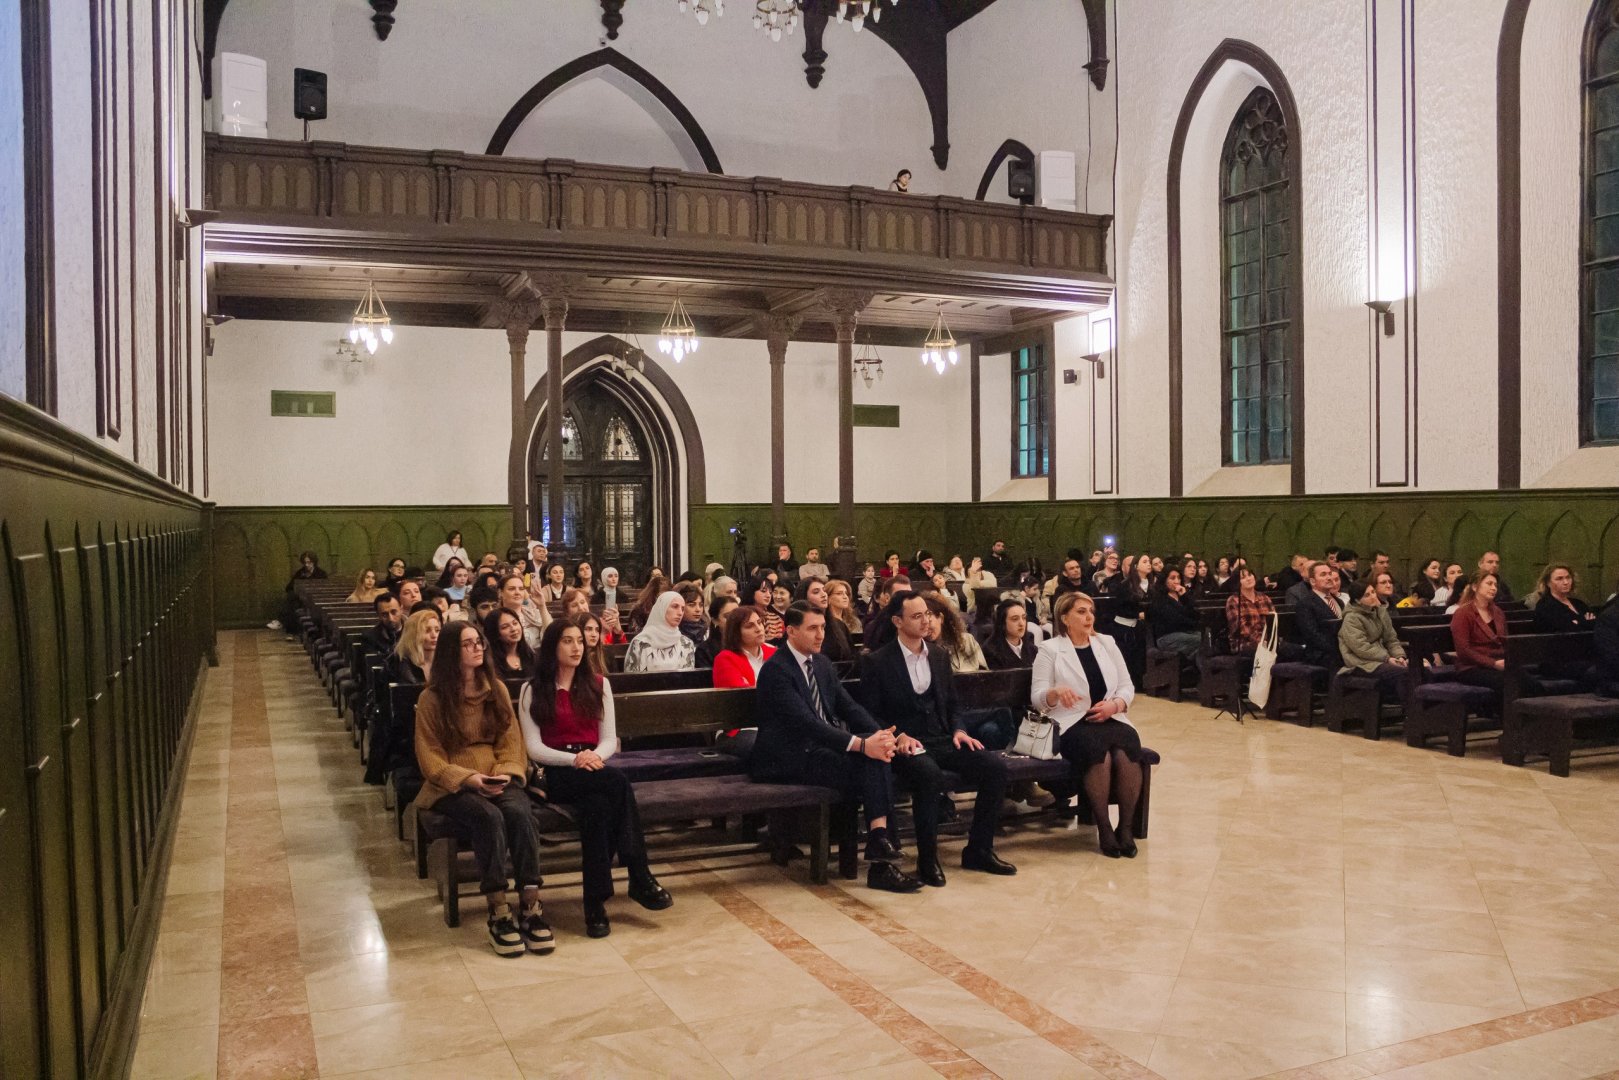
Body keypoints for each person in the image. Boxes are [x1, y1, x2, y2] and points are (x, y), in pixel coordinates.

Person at [749, 603, 920, 893]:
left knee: (877, 757)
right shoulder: (776, 670)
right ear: (790, 631)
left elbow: (849, 707)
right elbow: (806, 724)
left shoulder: (822, 664)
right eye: (812, 628)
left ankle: (879, 845)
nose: (820, 635)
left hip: (820, 752)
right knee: (872, 760)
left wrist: (885, 735)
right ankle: (881, 855)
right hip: (786, 758)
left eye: (823, 627)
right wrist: (862, 744)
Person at [518, 620, 671, 939]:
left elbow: (609, 739)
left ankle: (595, 905)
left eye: (580, 641)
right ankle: (638, 874)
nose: (577, 647)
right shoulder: (533, 689)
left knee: (598, 810)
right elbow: (534, 747)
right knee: (617, 783)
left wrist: (592, 757)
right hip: (556, 770)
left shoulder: (599, 684)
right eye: (567, 641)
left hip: (593, 766)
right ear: (551, 647)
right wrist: (575, 759)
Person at [858, 593, 1017, 883]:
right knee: (928, 775)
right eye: (916, 616)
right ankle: (927, 860)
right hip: (904, 744)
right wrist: (899, 735)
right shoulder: (878, 661)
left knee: (995, 768)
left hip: (941, 737)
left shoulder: (939, 656)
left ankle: (979, 849)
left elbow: (952, 704)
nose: (926, 621)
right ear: (897, 621)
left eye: (927, 614)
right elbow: (869, 715)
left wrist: (959, 730)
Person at [412, 621, 549, 956]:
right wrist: (467, 779)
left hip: (497, 775)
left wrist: (505, 773)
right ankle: (498, 909)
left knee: (520, 813)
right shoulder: (432, 699)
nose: (477, 648)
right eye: (467, 644)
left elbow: (511, 740)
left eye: (479, 643)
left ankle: (530, 905)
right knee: (488, 817)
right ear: (450, 653)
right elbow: (430, 756)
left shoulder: (495, 689)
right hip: (451, 785)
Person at [1032, 592, 1144, 859]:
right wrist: (1055, 692)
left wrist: (1115, 705)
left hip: (1110, 716)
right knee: (1099, 754)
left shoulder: (1106, 642)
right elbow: (1037, 698)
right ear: (1064, 618)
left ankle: (1125, 828)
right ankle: (1104, 828)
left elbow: (1127, 685)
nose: (1089, 617)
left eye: (1090, 611)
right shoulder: (1050, 650)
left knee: (1127, 750)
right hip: (1072, 723)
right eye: (1081, 612)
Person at [1337, 575, 1410, 698]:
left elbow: (1391, 639)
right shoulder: (1352, 618)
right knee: (1402, 673)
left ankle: (1417, 709)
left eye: (1372, 592)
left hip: (1382, 658)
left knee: (1418, 669)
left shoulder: (1380, 612)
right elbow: (1361, 648)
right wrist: (1387, 658)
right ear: (1357, 601)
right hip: (1361, 663)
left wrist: (1399, 656)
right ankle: (1408, 710)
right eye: (1367, 595)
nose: (1373, 596)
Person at [1451, 571, 1509, 696]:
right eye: (1489, 584)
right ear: (1475, 587)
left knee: (1531, 684)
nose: (1494, 588)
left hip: (1498, 663)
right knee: (1506, 684)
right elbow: (1463, 650)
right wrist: (1493, 663)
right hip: (1471, 667)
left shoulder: (1498, 612)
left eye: (1495, 585)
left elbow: (1505, 641)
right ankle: (1503, 715)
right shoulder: (1463, 613)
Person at [622, 591, 698, 673]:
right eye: (675, 606)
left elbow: (689, 679)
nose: (680, 613)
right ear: (662, 608)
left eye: (682, 609)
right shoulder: (640, 643)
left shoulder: (686, 644)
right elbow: (632, 680)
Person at [1290, 561, 1346, 669]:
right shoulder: (1305, 604)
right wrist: (1340, 648)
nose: (1329, 578)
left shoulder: (1339, 602)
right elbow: (1313, 635)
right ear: (1312, 581)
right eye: (1323, 575)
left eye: (1330, 573)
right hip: (1319, 654)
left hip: (1340, 649)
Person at [713, 605, 776, 688]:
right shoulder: (725, 659)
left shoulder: (773, 652)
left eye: (759, 622)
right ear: (736, 633)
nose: (758, 629)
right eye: (749, 626)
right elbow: (742, 696)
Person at [1225, 565, 1282, 655]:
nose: (1248, 579)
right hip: (1245, 643)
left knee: (1294, 649)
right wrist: (1262, 642)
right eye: (1243, 577)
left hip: (1268, 641)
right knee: (1266, 651)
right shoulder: (1233, 600)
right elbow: (1242, 629)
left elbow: (1274, 622)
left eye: (1250, 575)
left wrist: (1271, 641)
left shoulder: (1265, 597)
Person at [924, 593, 988, 673]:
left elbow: (985, 674)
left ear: (941, 618)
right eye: (922, 624)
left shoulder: (967, 640)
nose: (926, 629)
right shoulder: (924, 651)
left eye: (929, 622)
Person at [798, 576, 855, 664]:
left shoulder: (839, 625)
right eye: (816, 592)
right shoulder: (796, 626)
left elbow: (850, 656)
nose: (824, 594)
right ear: (804, 597)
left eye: (824, 590)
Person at [1148, 568, 1201, 660]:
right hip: (1167, 637)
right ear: (1165, 580)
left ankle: (1190, 664)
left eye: (1179, 578)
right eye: (1172, 578)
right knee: (1201, 640)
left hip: (1185, 633)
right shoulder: (1160, 598)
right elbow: (1175, 619)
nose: (1177, 581)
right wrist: (1194, 624)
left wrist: (1185, 596)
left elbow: (1195, 613)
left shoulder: (1182, 595)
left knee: (1204, 640)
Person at [271, 550, 328, 632]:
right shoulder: (300, 572)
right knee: (291, 600)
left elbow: (324, 590)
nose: (307, 565)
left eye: (309, 562)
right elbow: (289, 587)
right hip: (302, 600)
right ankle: (289, 629)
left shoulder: (321, 573)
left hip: (316, 600)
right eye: (305, 563)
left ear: (314, 562)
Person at [1529, 564, 1596, 634]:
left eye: (1568, 577)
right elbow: (1566, 630)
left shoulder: (1579, 603)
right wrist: (1586, 622)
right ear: (1548, 583)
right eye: (1559, 579)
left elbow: (1596, 625)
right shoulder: (1545, 605)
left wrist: (1578, 623)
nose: (1566, 582)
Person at [388, 608, 440, 685]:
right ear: (413, 634)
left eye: (437, 630)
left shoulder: (446, 660)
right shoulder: (400, 662)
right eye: (427, 630)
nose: (434, 635)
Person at [983, 598, 1038, 669]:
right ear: (1002, 623)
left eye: (1024, 618)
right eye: (1015, 619)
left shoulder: (1032, 649)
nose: (1022, 623)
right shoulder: (991, 651)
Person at [484, 607, 536, 678]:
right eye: (505, 627)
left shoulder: (531, 656)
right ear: (495, 633)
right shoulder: (490, 662)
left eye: (515, 623)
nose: (513, 629)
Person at [697, 595, 740, 668]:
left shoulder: (750, 643)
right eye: (728, 616)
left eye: (738, 615)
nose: (735, 620)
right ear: (715, 620)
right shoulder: (705, 650)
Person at [363, 592, 405, 657]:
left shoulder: (414, 632)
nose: (390, 618)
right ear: (378, 615)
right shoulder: (370, 638)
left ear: (401, 609)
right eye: (384, 615)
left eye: (394, 612)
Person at [575, 611, 610, 678]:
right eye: (588, 629)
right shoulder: (573, 657)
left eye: (597, 630)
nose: (594, 635)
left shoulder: (607, 656)